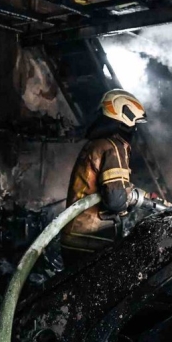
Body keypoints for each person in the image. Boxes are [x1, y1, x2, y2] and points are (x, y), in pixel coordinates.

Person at [60, 89, 152, 267]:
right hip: (92, 240)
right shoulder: (114, 147)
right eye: (135, 124)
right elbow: (115, 201)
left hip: (74, 236)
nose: (136, 129)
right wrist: (131, 199)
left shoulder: (97, 144)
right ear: (125, 117)